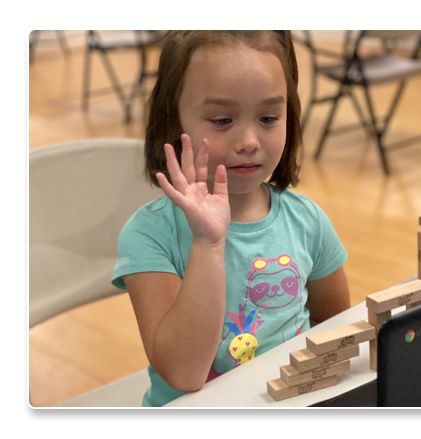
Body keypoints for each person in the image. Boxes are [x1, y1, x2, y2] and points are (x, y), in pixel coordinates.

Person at [112, 30, 351, 407]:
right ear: (173, 121)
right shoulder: (150, 234)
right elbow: (184, 373)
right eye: (223, 120)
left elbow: (335, 328)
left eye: (269, 117)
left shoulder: (307, 220)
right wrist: (208, 244)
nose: (249, 141)